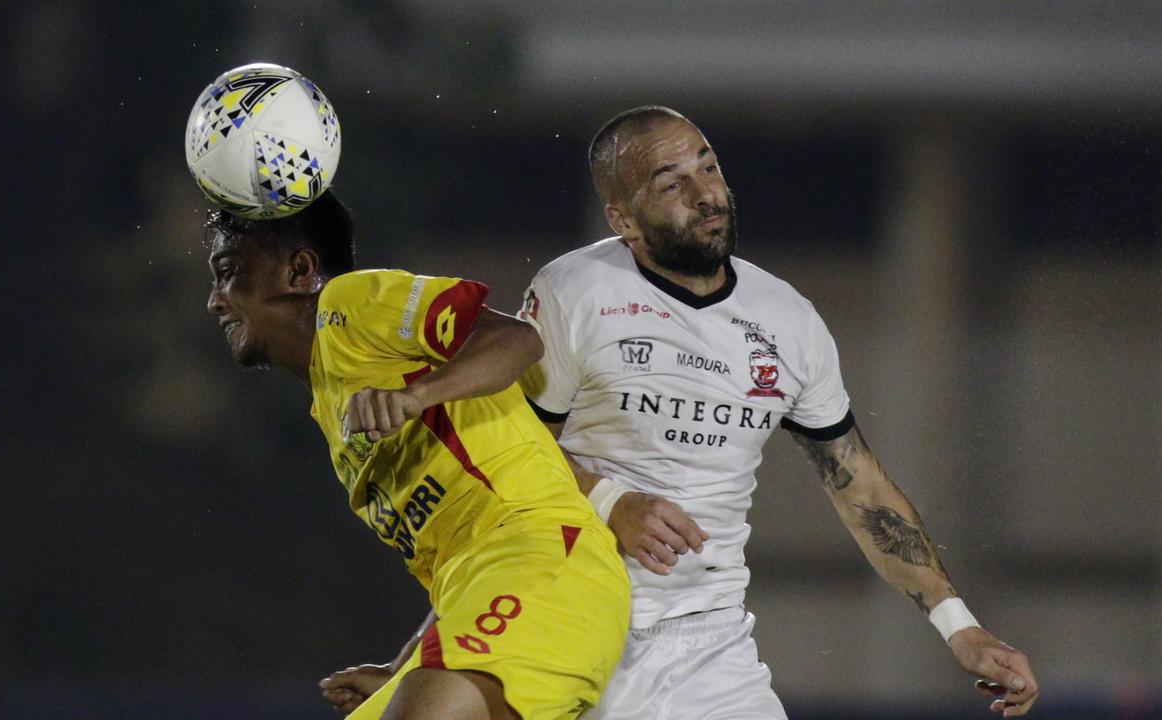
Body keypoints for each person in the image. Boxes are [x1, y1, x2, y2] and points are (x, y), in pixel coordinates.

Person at [320, 107, 1040, 718]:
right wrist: (609, 504)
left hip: (711, 653)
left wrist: (960, 628)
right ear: (623, 218)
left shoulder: (787, 320)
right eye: (671, 182)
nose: (705, 193)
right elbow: (495, 478)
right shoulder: (577, 293)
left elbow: (865, 492)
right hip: (572, 628)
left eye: (708, 166)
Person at [203, 190, 631, 720]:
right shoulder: (331, 402)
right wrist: (404, 667)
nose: (216, 300)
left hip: (546, 564)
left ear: (301, 269)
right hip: (491, 592)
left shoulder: (346, 305)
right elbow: (459, 560)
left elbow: (516, 338)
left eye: (227, 272)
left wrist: (419, 394)